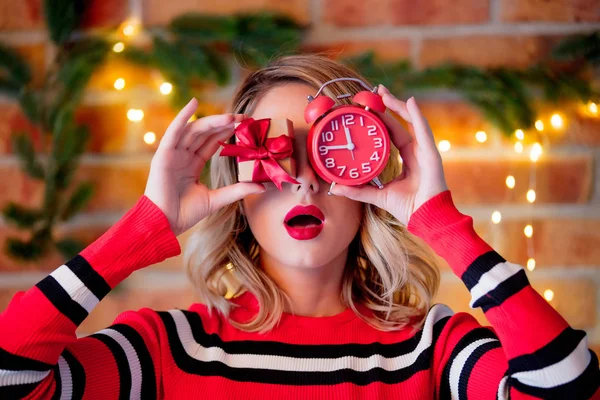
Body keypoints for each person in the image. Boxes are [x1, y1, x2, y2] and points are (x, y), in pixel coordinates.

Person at [0, 54, 598, 400]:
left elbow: (571, 392)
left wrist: (439, 221)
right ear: (236, 185)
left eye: (330, 154)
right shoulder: (167, 351)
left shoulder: (433, 352)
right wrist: (144, 227)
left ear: (369, 184)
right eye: (277, 155)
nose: (305, 181)